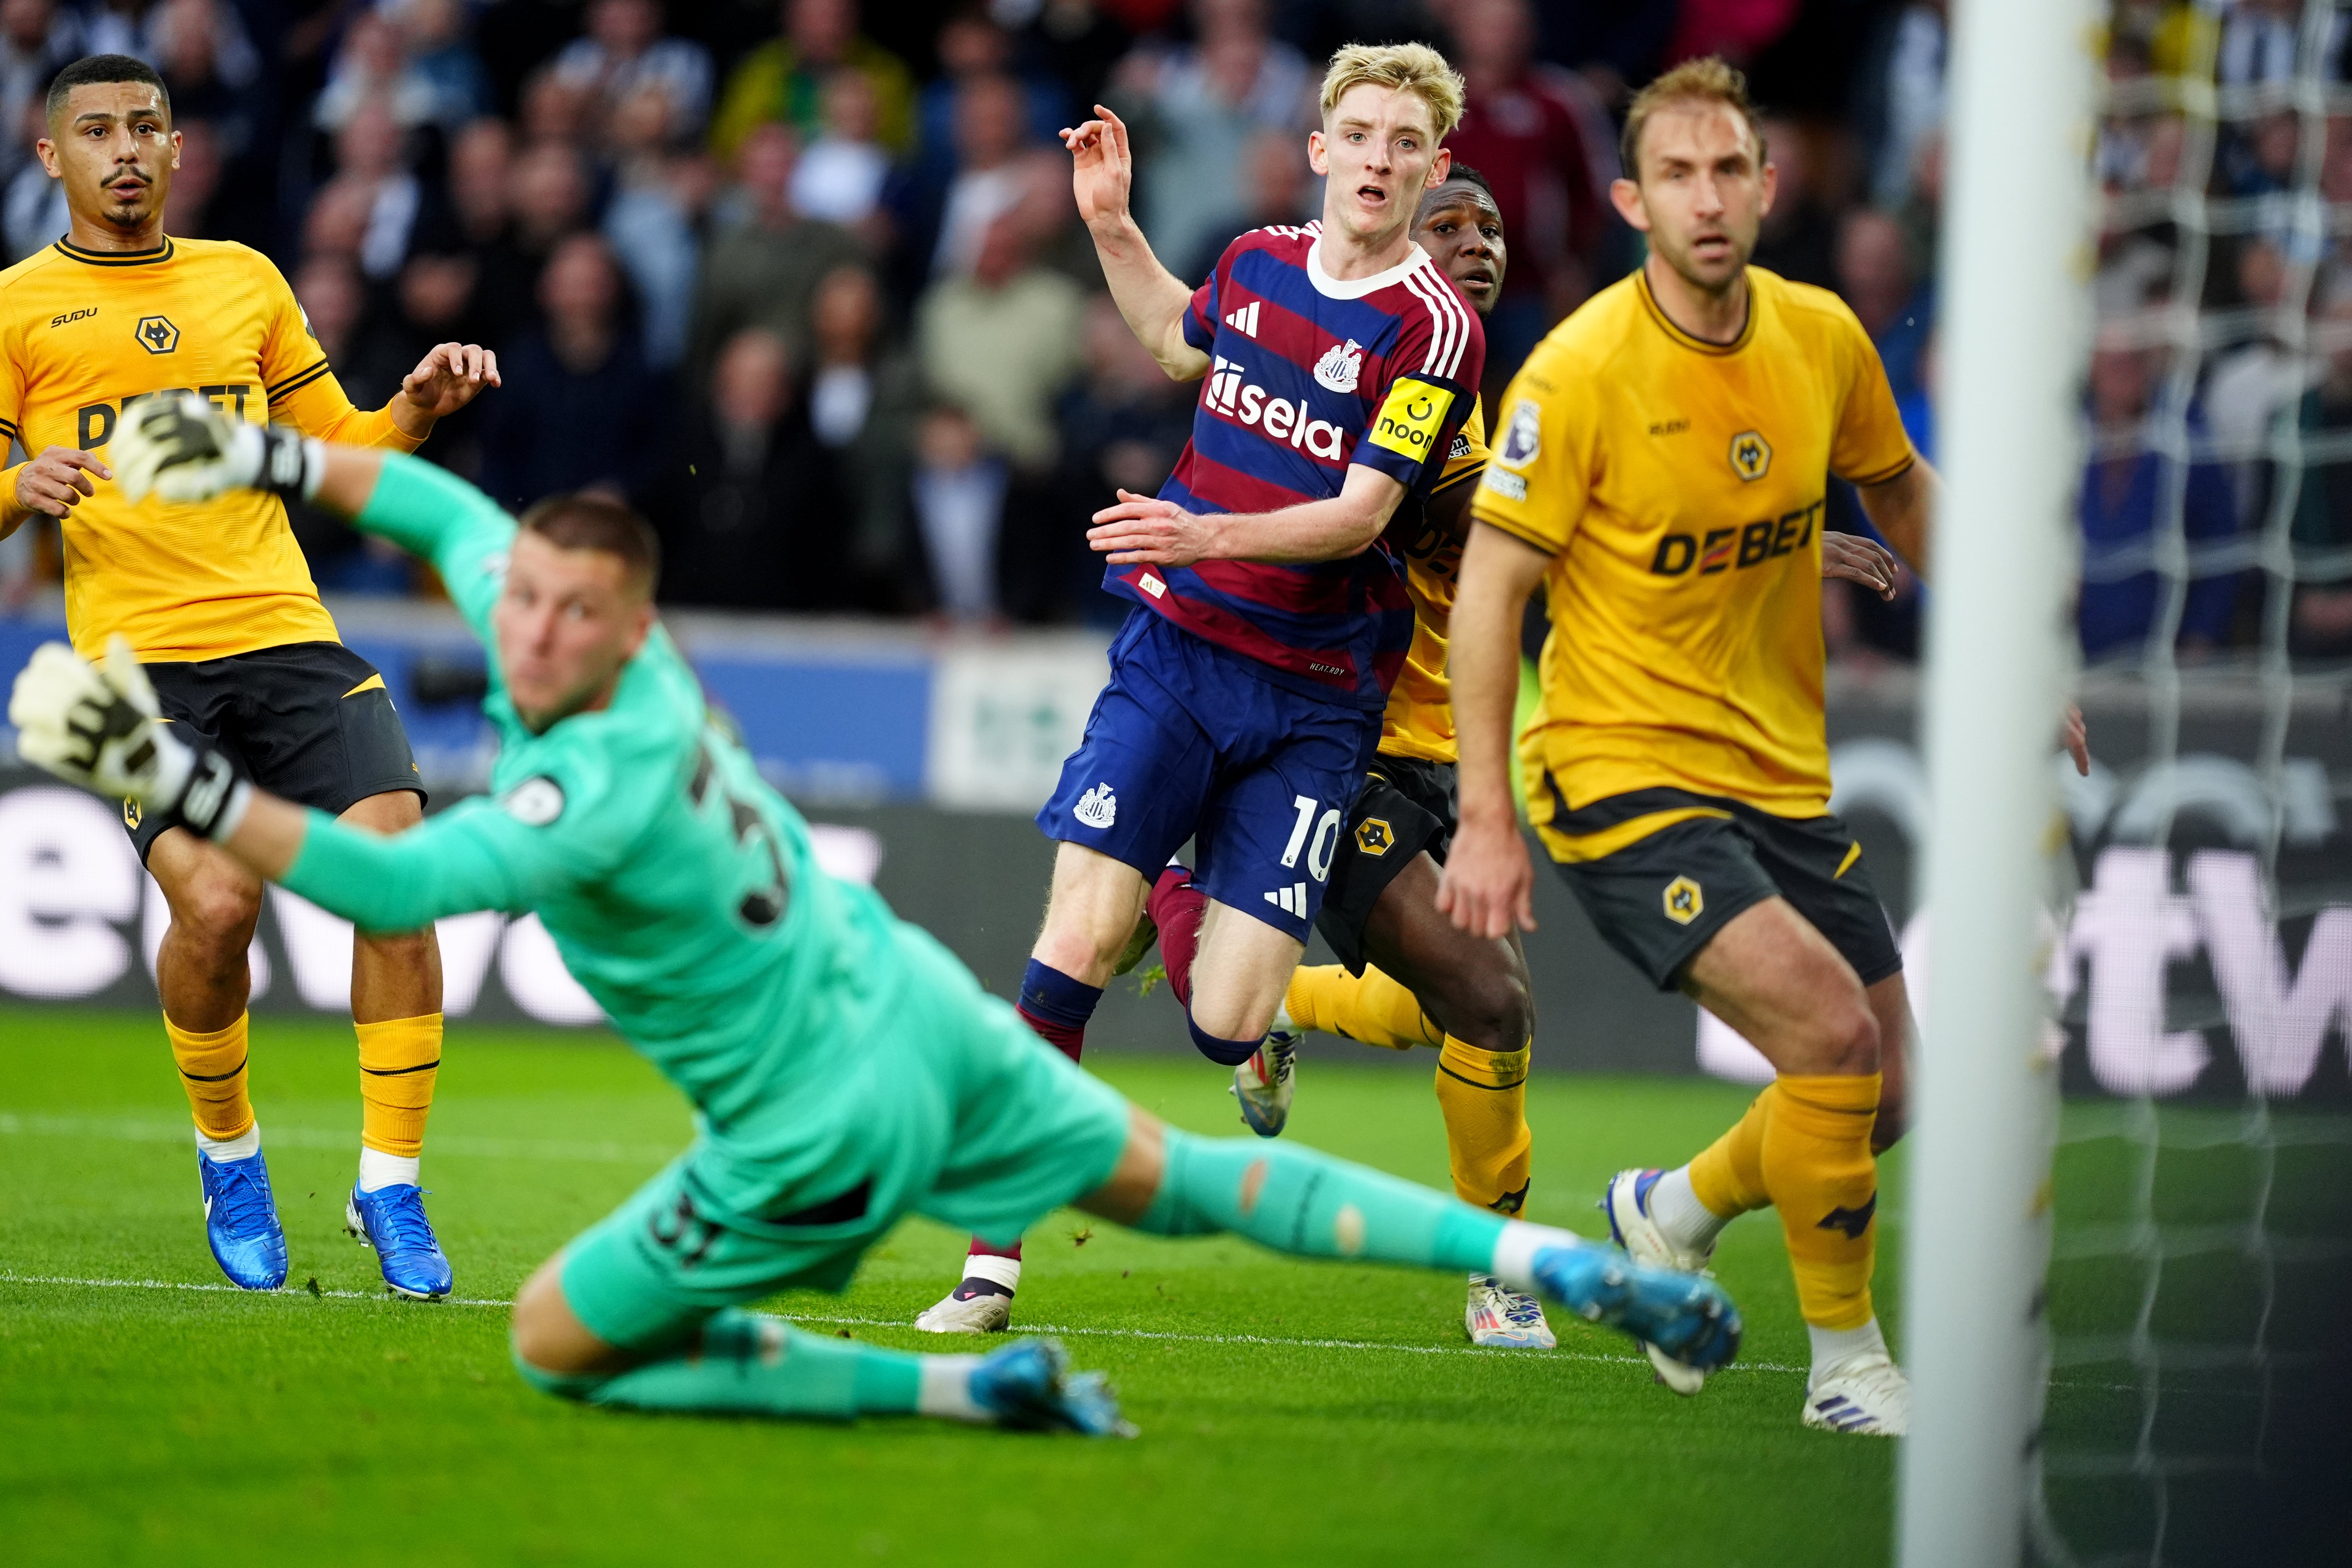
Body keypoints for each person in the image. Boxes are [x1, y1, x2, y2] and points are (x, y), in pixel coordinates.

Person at [9, 397, 1744, 1437]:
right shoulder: (622, 648)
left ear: (623, 635)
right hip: (914, 1006)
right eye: (520, 603)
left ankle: (951, 1389)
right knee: (1202, 1182)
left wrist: (168, 769)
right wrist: (255, 450)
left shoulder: (585, 787)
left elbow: (389, 883)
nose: (526, 631)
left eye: (560, 614)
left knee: (560, 1339)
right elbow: (450, 511)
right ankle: (1561, 1264)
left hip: (816, 1125)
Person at [1436, 58, 2065, 1436]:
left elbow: (1899, 491)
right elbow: (1489, 590)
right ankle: (1847, 1371)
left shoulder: (1822, 337)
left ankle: (1670, 1213)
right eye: (1678, 175)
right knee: (1833, 1039)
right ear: (1630, 199)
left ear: (1771, 188)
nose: (1708, 200)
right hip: (1617, 773)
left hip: (1776, 776)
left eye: (1732, 171)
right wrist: (1486, 812)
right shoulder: (1582, 371)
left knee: (1890, 1091)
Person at [916, 42, 1487, 1333]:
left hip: (1313, 698)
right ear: (1320, 148)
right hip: (1177, 655)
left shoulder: (1433, 325)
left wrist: (1201, 533)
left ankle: (1180, 897)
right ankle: (989, 1262)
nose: (1382, 161)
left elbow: (1357, 518)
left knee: (1227, 1021)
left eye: (1410, 143)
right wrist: (1113, 228)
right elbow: (1179, 343)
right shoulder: (1255, 257)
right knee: (1068, 940)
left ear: (1434, 167)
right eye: (1363, 134)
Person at [0, 54, 498, 1298]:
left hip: (286, 631)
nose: (128, 149)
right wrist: (19, 488)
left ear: (177, 152)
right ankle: (230, 1151)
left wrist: (416, 409)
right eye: (99, 130)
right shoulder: (14, 308)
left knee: (397, 881)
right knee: (218, 910)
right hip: (137, 667)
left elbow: (342, 451)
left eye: (149, 128)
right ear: (49, 154)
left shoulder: (245, 279)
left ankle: (390, 1186)